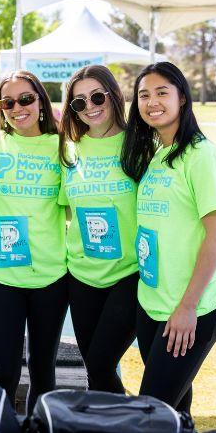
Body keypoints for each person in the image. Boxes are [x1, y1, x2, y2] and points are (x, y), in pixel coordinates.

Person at [121, 62, 216, 415]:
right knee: (175, 411)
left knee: (150, 412)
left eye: (162, 92)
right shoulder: (157, 154)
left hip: (191, 307)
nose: (152, 102)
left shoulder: (201, 156)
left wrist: (187, 307)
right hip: (153, 302)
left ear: (182, 97)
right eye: (144, 95)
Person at [0, 70, 67, 414]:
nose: (17, 108)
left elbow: (70, 207)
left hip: (51, 276)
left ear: (41, 103)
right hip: (4, 277)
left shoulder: (62, 147)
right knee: (4, 371)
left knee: (42, 370)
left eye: (26, 99)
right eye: (8, 102)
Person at [57, 65, 138, 394]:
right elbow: (65, 210)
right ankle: (108, 418)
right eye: (79, 102)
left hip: (130, 273)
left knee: (102, 362)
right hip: (81, 275)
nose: (89, 106)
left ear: (114, 95)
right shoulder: (69, 150)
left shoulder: (139, 144)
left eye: (97, 97)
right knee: (94, 369)